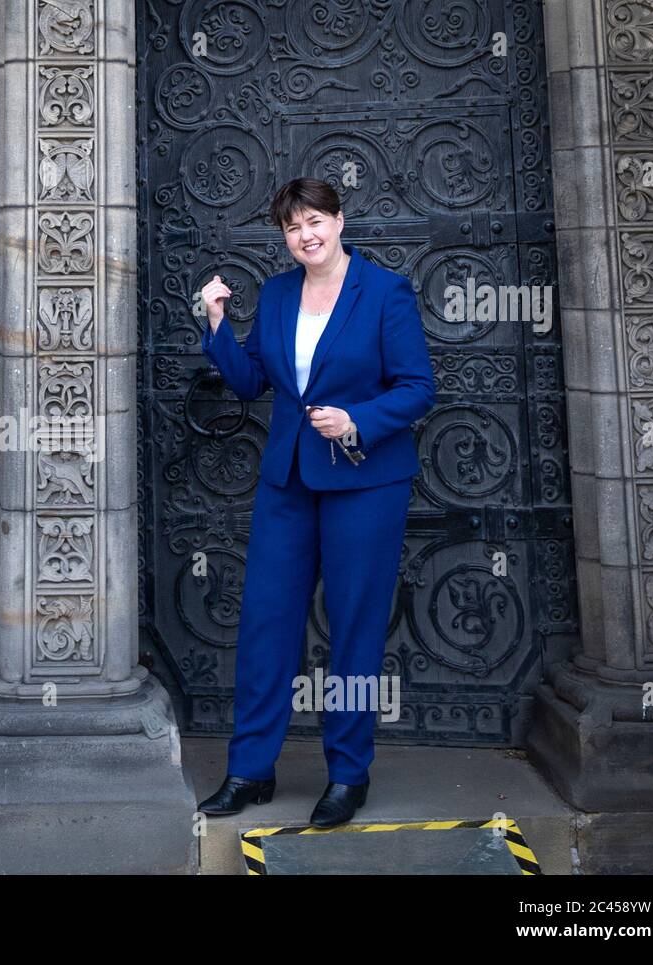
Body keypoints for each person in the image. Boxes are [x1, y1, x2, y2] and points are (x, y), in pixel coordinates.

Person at [194, 177, 436, 827]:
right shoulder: (275, 295)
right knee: (266, 625)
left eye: (316, 220)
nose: (307, 235)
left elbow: (417, 388)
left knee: (354, 629)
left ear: (339, 219)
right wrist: (218, 322)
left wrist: (358, 418)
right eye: (293, 227)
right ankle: (250, 770)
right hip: (289, 485)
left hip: (365, 484)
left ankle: (347, 776)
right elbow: (249, 382)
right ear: (284, 237)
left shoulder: (385, 292)